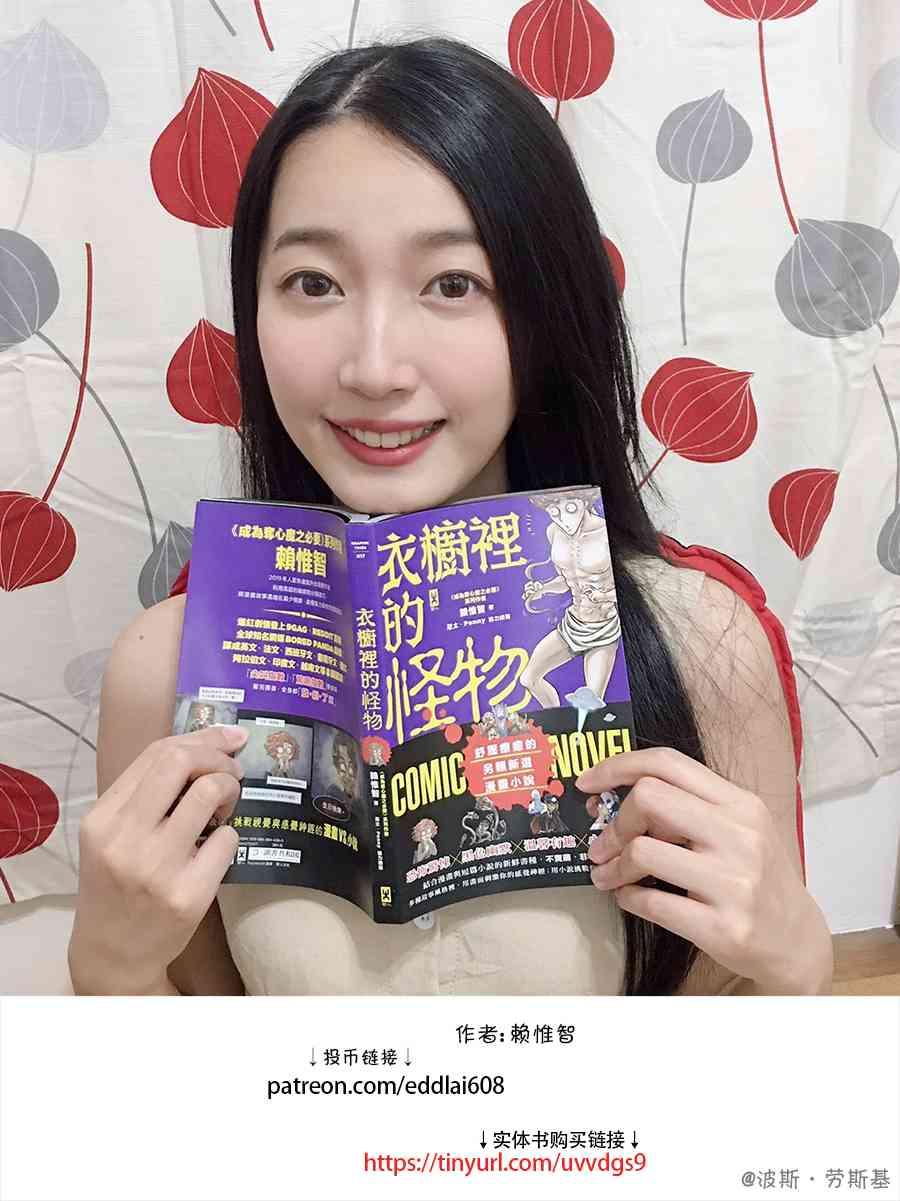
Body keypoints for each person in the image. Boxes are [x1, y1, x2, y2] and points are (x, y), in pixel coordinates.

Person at [68, 35, 833, 997]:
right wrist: (109, 965)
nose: (374, 367)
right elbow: (200, 1056)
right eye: (314, 282)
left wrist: (798, 965)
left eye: (453, 284)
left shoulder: (701, 644)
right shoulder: (168, 670)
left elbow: (744, 1048)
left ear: (546, 309)